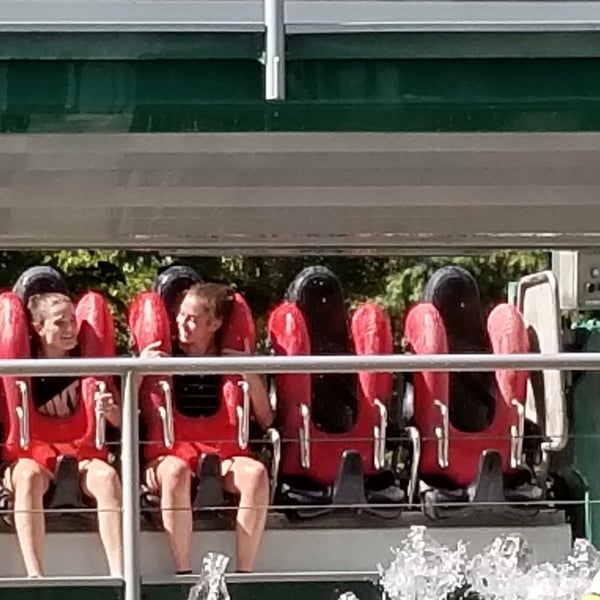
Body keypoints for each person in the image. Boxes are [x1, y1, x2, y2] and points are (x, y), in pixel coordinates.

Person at [140, 282, 273, 574]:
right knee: (175, 472)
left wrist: (248, 372)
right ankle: (183, 572)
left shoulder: (228, 360)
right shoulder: (162, 355)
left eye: (192, 319)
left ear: (214, 324)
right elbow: (124, 415)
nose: (182, 323)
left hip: (222, 454)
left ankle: (244, 573)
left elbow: (266, 418)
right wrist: (138, 370)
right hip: (170, 456)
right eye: (180, 315)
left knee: (256, 474)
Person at [3, 292, 123, 578]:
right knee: (28, 476)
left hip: (80, 454)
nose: (70, 330)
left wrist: (109, 411)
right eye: (60, 323)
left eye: (72, 322)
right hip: (30, 457)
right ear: (38, 327)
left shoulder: (89, 365)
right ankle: (35, 575)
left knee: (106, 477)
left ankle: (120, 574)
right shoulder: (19, 367)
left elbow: (122, 422)